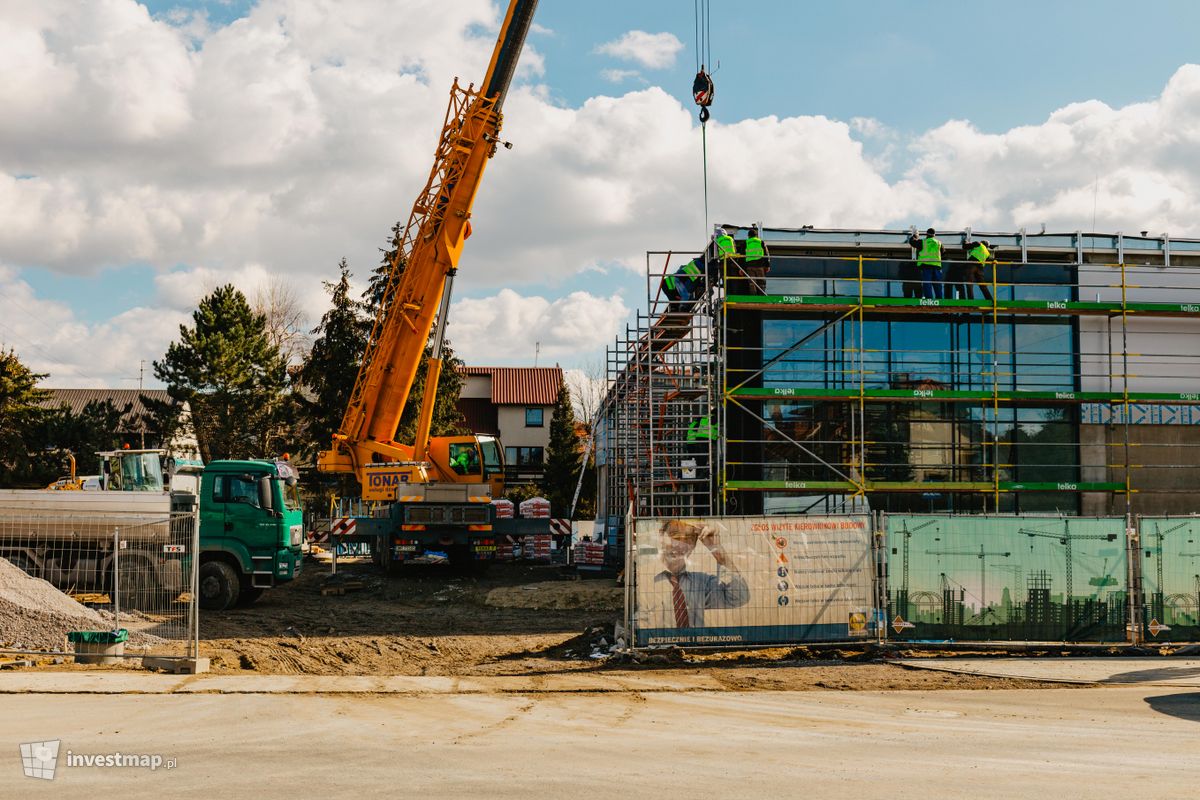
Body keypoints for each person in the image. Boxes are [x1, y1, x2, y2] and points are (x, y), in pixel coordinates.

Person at [644, 520, 749, 629]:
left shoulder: (701, 583)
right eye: (675, 536)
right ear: (661, 536)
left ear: (694, 545)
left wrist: (718, 551)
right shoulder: (643, 577)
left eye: (689, 538)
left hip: (693, 646)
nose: (681, 545)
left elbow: (739, 597)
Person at [909, 227, 944, 299]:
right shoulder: (939, 243)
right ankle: (939, 300)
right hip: (937, 267)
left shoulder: (923, 242)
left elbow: (912, 242)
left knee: (927, 284)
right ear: (934, 235)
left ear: (926, 235)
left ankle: (929, 300)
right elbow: (943, 252)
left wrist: (915, 235)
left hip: (926, 267)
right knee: (938, 285)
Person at [743, 226, 770, 296]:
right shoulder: (761, 242)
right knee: (761, 282)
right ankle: (761, 297)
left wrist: (742, 268)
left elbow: (742, 256)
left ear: (749, 236)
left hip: (749, 266)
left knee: (752, 283)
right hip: (760, 265)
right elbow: (766, 254)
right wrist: (768, 265)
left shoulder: (746, 243)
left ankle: (753, 297)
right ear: (756, 236)